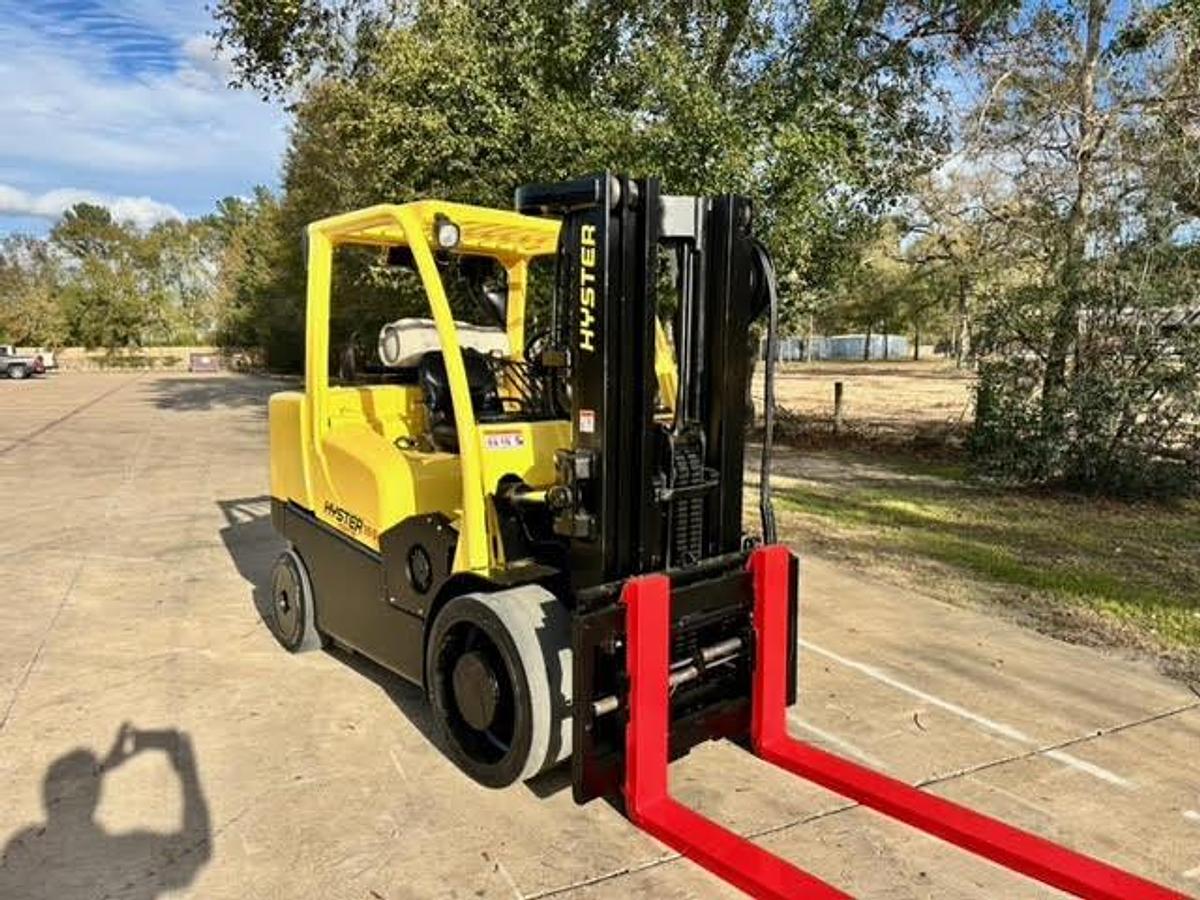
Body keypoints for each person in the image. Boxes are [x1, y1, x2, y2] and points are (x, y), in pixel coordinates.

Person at [0, 724, 210, 900]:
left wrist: (101, 770)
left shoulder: (24, 850)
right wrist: (187, 771)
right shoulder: (130, 854)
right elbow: (197, 849)